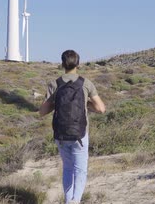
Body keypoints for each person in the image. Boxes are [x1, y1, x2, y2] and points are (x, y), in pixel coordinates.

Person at [39, 50, 106, 204]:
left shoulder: (54, 84)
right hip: (80, 135)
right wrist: (86, 104)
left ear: (62, 64)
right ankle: (74, 201)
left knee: (68, 169)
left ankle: (69, 201)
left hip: (61, 135)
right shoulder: (86, 83)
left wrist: (57, 105)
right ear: (78, 63)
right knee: (80, 171)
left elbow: (42, 112)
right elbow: (101, 109)